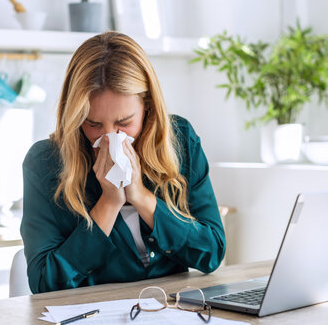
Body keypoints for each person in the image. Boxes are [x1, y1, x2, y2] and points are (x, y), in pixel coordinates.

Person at [21, 31, 225, 294]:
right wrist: (108, 203)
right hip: (88, 320)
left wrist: (141, 197)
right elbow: (44, 283)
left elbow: (211, 252)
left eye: (124, 123)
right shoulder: (45, 163)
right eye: (93, 124)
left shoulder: (179, 141)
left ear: (148, 107)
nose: (110, 137)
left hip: (170, 313)